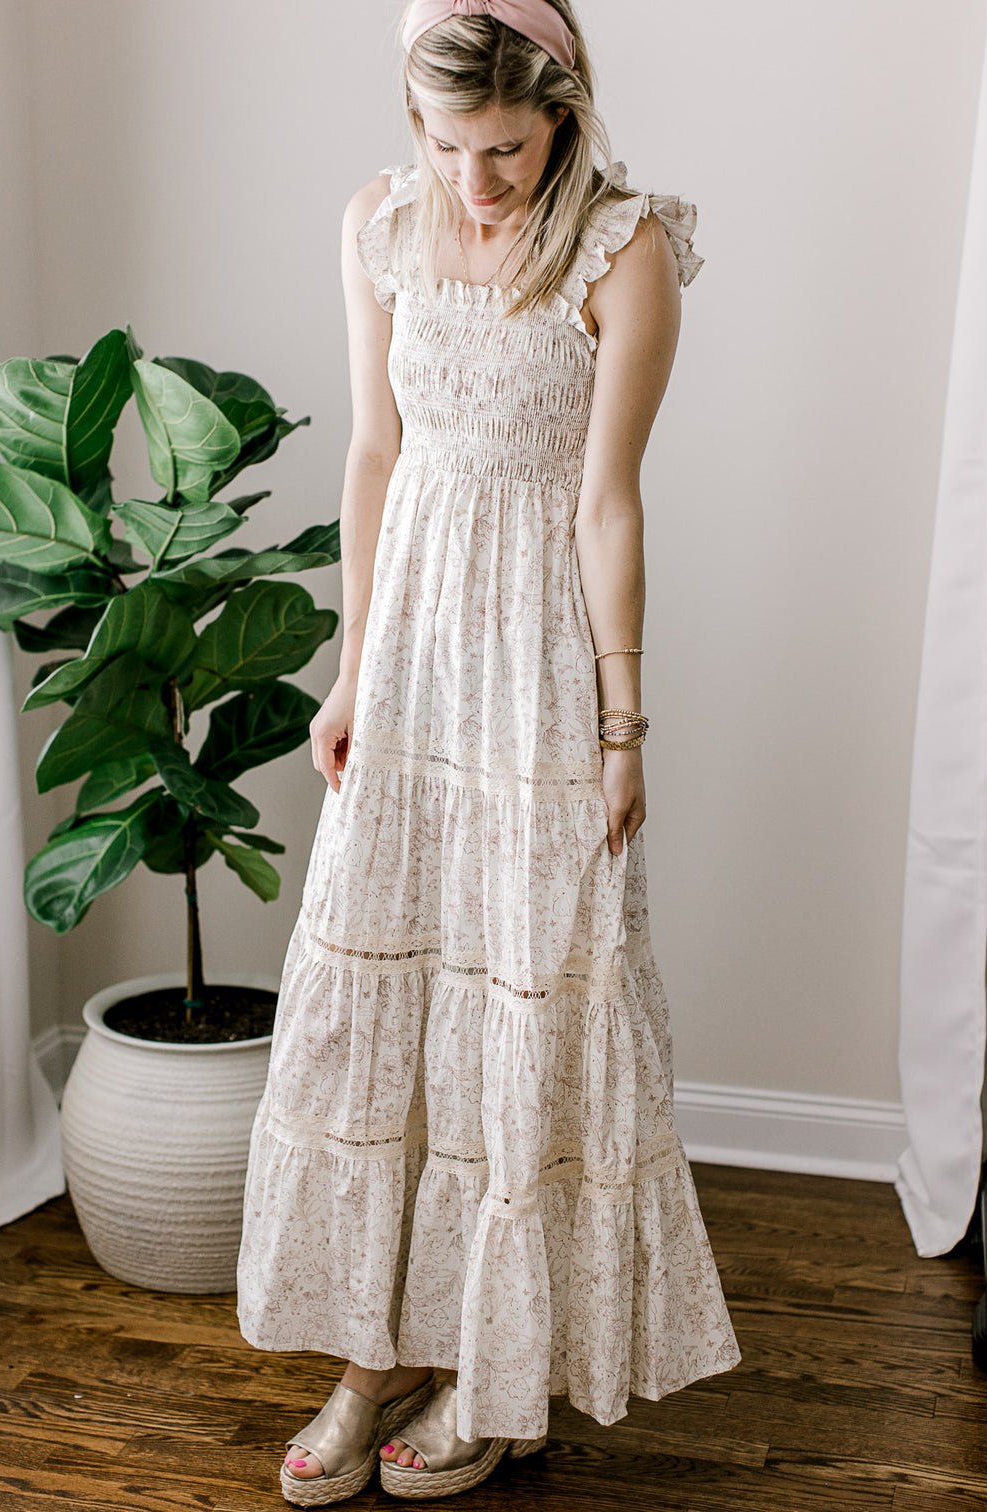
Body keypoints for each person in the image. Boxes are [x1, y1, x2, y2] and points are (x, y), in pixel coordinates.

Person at [235, 0, 741, 1502]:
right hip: (410, 664)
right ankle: (370, 1351)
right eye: (447, 146)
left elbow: (606, 506)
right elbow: (375, 456)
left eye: (505, 147)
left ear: (565, 112)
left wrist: (623, 721)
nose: (476, 181)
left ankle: (498, 1373)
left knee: (516, 1007)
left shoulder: (623, 250)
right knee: (380, 1002)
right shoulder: (381, 225)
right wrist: (347, 669)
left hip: (534, 666)